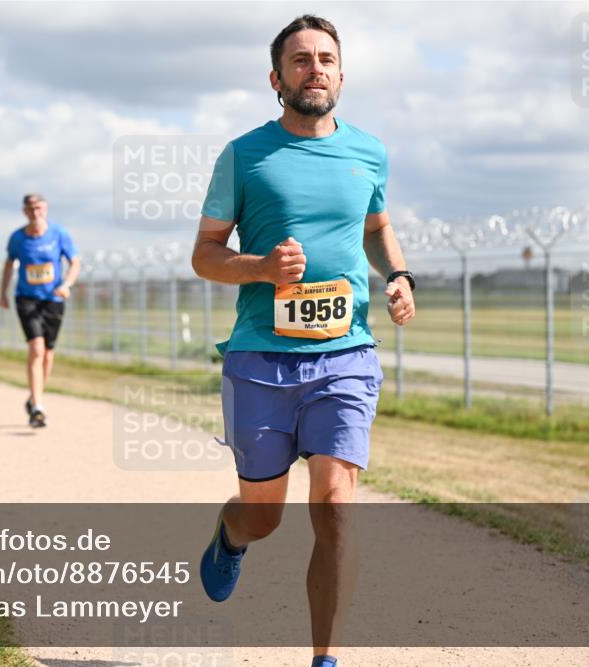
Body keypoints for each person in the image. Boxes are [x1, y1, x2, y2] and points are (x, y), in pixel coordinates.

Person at [190, 15, 416, 667]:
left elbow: (377, 227)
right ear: (276, 78)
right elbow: (205, 254)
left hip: (346, 354)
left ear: (341, 75)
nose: (314, 68)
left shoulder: (369, 152)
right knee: (264, 516)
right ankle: (231, 536)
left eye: (325, 59)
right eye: (300, 59)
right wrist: (261, 267)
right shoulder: (244, 155)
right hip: (260, 360)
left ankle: (325, 658)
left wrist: (398, 274)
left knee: (337, 505)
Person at [0, 193, 81, 428]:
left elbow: (75, 262)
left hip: (53, 298)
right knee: (36, 348)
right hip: (26, 298)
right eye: (31, 208)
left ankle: (35, 396)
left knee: (48, 353)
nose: (36, 212)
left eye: (39, 207)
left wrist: (67, 284)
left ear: (46, 209)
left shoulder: (59, 233)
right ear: (25, 211)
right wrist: (3, 293)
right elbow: (9, 265)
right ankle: (37, 407)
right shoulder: (17, 238)